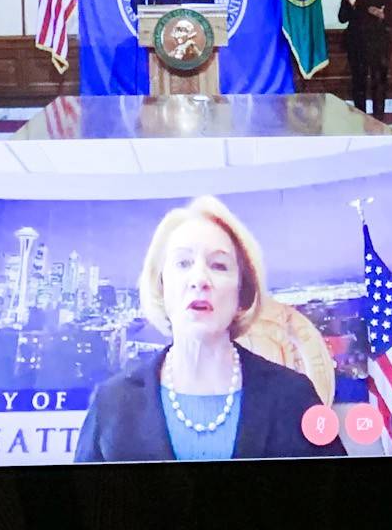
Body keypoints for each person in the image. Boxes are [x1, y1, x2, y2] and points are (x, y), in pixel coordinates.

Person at [75, 196, 340, 461]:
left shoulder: (293, 396)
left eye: (219, 265)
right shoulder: (112, 403)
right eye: (183, 263)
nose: (200, 279)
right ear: (161, 285)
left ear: (242, 292)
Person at [337, 0, 392, 116]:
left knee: (379, 81)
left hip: (379, 43)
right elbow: (342, 18)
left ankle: (379, 117)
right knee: (359, 81)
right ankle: (360, 116)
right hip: (357, 43)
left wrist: (382, 15)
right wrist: (352, 5)